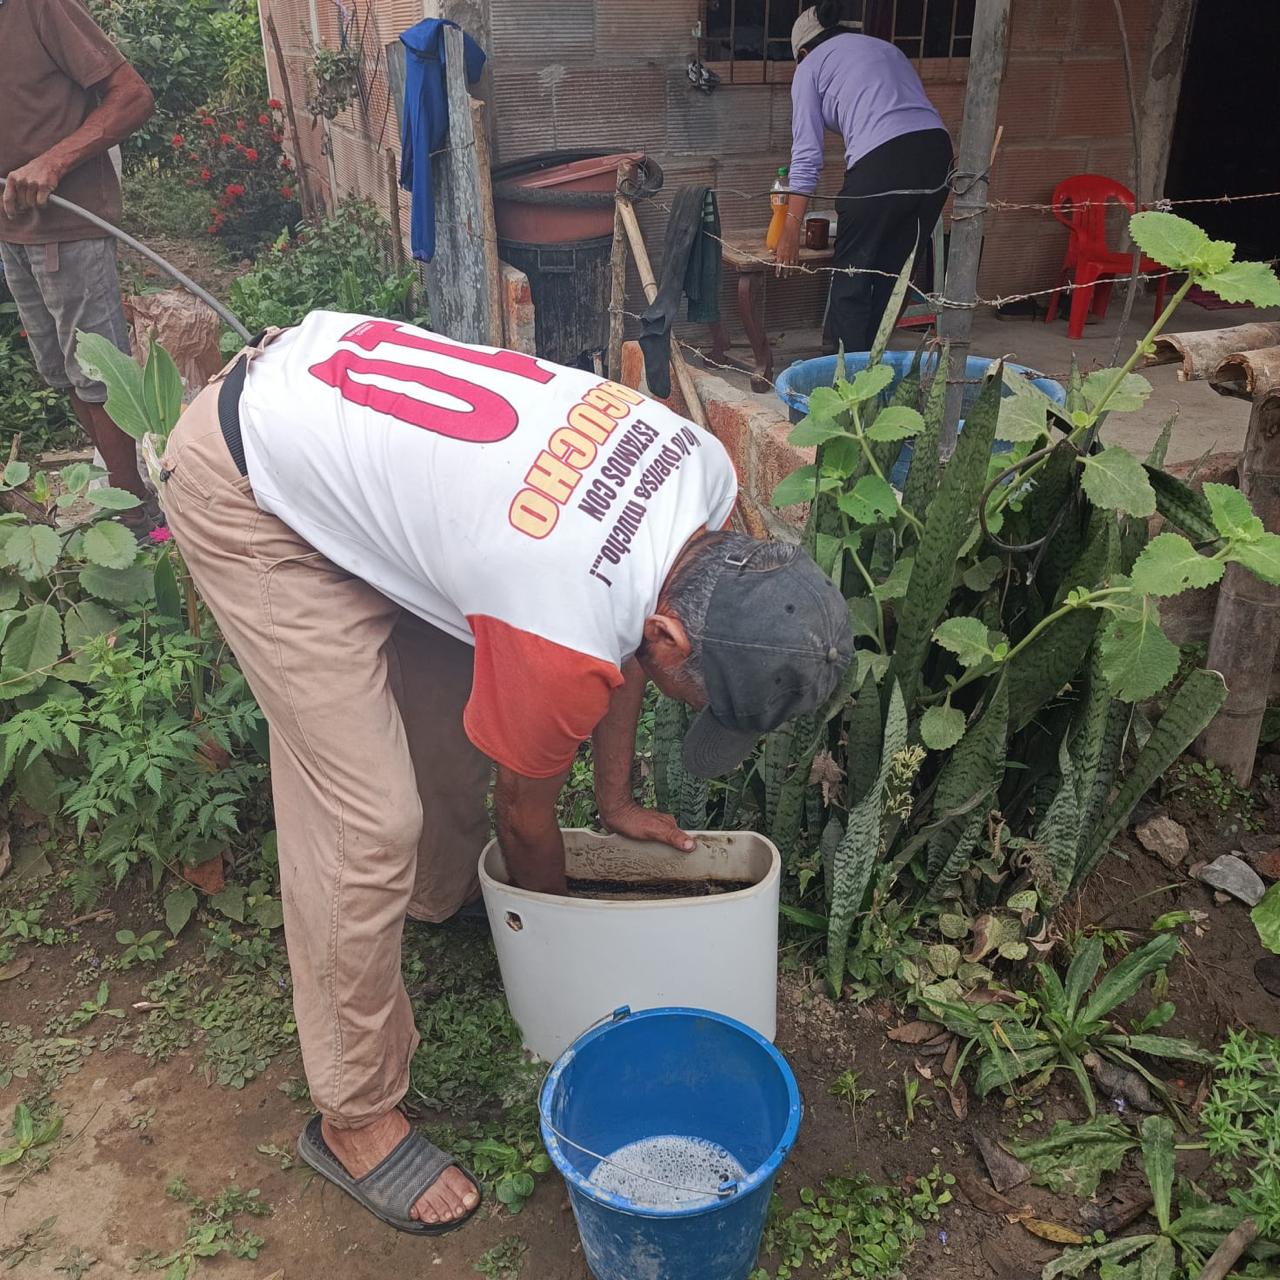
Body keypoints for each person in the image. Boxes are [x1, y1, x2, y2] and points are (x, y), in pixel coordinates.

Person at [160, 311, 854, 1237]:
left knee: (455, 715)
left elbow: (628, 626)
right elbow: (524, 813)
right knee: (367, 819)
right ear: (677, 635)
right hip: (251, 488)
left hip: (350, 424)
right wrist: (558, 942)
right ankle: (353, 1114)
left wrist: (614, 801)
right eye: (700, 698)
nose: (690, 706)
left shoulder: (701, 472)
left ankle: (436, 897)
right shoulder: (559, 622)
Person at [0, 0, 155, 515]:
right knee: (64, 372)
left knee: (98, 373)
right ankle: (121, 494)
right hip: (12, 231)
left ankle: (136, 510)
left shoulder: (38, 7)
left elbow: (133, 96)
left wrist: (53, 161)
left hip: (68, 225)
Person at [775, 1, 953, 354]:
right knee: (894, 277)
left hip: (882, 161)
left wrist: (791, 228)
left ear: (803, 52)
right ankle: (872, 365)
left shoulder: (809, 66)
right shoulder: (886, 49)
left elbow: (807, 154)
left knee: (852, 277)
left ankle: (845, 376)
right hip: (937, 156)